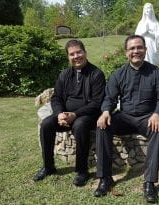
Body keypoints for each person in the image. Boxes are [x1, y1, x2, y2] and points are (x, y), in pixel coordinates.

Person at [93, 35, 159, 203]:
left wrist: (157, 114)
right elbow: (109, 97)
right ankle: (105, 178)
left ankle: (149, 182)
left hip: (147, 118)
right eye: (132, 48)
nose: (136, 51)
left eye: (139, 47)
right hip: (125, 117)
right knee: (102, 126)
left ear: (145, 49)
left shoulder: (156, 72)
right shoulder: (118, 74)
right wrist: (106, 111)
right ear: (126, 52)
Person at [33, 39, 106, 187]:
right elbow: (57, 97)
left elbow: (97, 103)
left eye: (79, 52)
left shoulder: (96, 74)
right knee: (46, 124)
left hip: (88, 116)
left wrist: (75, 114)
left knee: (79, 125)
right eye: (72, 54)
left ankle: (82, 171)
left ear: (85, 53)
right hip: (66, 115)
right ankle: (48, 167)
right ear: (68, 57)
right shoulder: (64, 75)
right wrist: (60, 113)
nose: (76, 56)